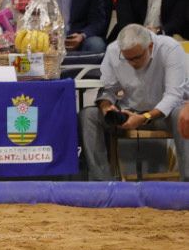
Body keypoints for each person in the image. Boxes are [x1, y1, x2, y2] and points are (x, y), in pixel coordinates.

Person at [80, 24, 189, 180]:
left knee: (184, 116)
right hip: (129, 112)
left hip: (166, 115)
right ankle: (102, 185)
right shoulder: (113, 51)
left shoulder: (170, 48)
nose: (132, 62)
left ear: (150, 46)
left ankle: (187, 185)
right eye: (127, 58)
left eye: (137, 57)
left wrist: (144, 118)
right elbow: (108, 89)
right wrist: (107, 109)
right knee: (88, 115)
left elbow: (174, 96)